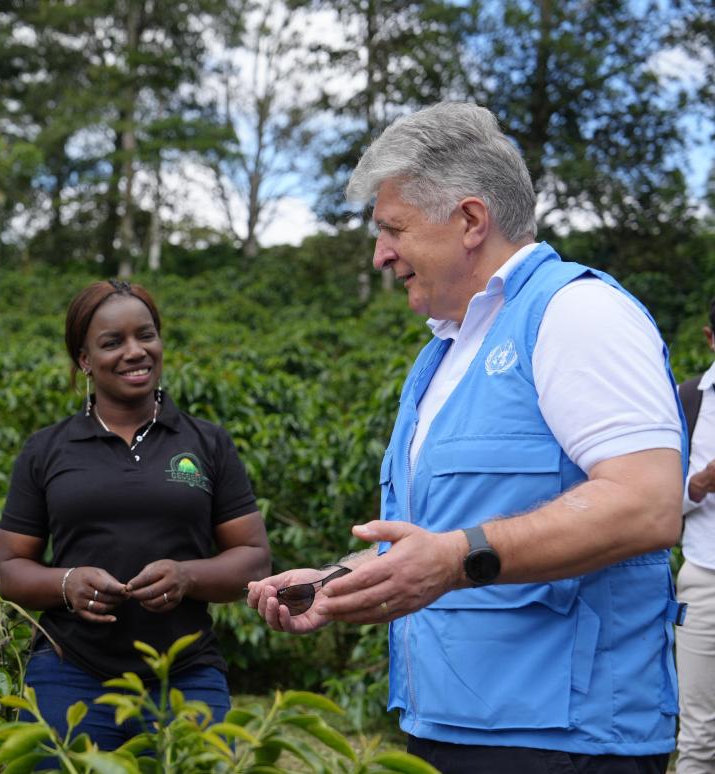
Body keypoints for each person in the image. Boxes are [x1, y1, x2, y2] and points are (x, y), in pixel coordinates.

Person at [247, 102, 687, 772]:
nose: (381, 254)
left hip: (566, 743)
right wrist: (339, 583)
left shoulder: (578, 314)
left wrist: (453, 559)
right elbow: (445, 539)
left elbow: (648, 504)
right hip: (449, 727)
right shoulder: (444, 356)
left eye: (393, 228)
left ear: (471, 221)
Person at [0, 280, 270, 750]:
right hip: (69, 674)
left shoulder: (206, 443)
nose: (135, 351)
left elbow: (254, 559)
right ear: (84, 360)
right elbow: (9, 570)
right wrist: (67, 584)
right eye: (111, 342)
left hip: (185, 675)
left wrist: (187, 576)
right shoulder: (47, 449)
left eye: (146, 335)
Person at [676, 301, 715, 774]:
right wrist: (699, 483)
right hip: (705, 577)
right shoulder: (689, 401)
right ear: (710, 339)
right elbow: (657, 498)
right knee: (700, 734)